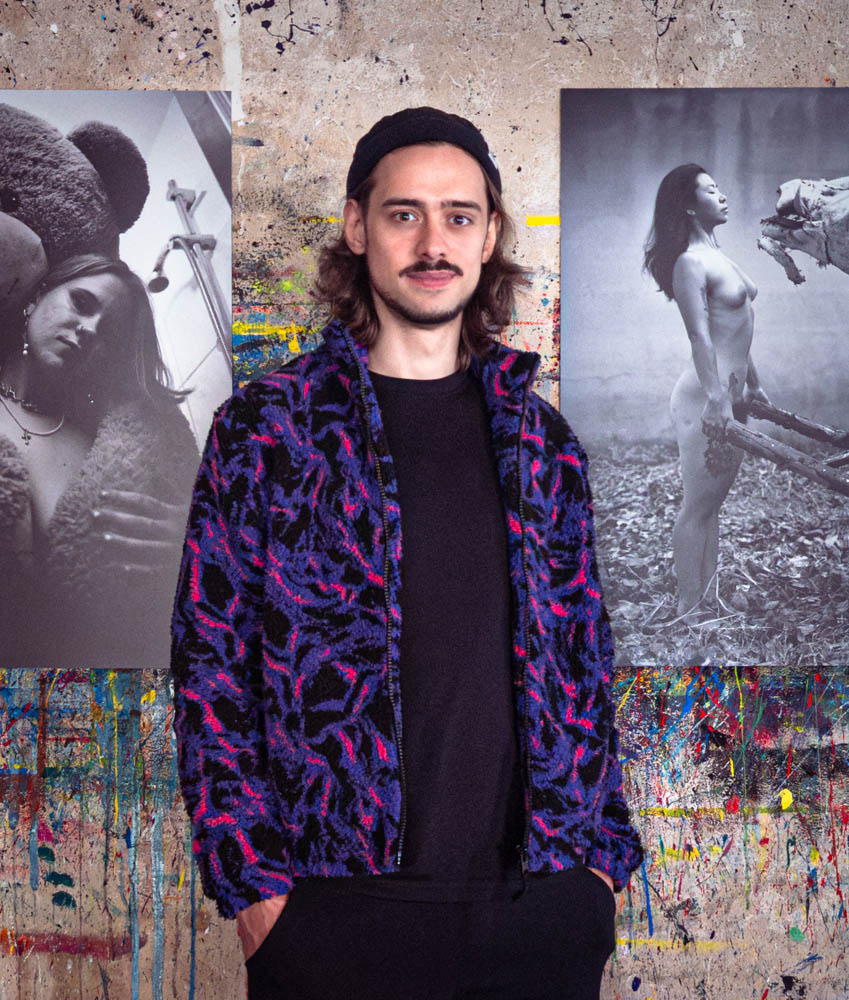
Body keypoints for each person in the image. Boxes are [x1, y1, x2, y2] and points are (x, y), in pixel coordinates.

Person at [172, 107, 643, 1000]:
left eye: (459, 215)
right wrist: (261, 899)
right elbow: (208, 667)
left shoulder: (541, 441)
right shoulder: (268, 430)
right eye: (404, 214)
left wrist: (595, 876)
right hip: (332, 916)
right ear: (358, 227)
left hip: (538, 910)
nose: (434, 241)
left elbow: (583, 662)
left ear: (491, 233)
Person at [0, 253, 198, 667]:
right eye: (82, 303)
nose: (88, 329)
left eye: (111, 331)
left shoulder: (97, 451)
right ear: (36, 297)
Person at [644, 164, 770, 623]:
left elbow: (735, 333)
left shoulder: (718, 254)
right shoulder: (689, 264)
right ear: (688, 205)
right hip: (705, 398)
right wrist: (719, 400)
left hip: (730, 396)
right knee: (698, 505)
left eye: (719, 187)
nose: (722, 194)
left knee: (712, 504)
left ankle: (706, 602)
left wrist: (753, 385)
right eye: (710, 190)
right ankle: (687, 607)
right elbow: (700, 339)